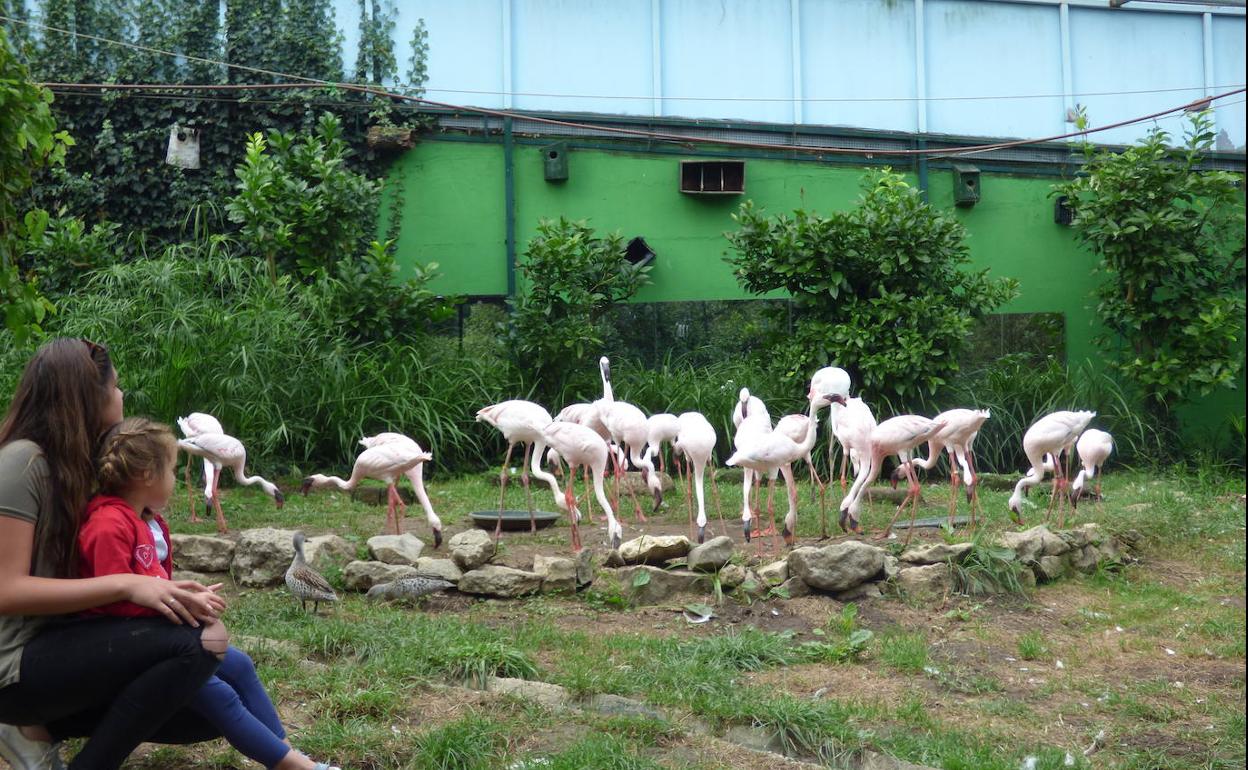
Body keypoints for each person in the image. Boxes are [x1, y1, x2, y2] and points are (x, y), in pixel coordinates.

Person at [0, 338, 225, 770]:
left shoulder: (79, 466)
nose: (122, 395)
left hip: (59, 641)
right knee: (198, 646)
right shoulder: (22, 463)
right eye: (116, 386)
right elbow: (6, 591)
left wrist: (160, 588)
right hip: (13, 664)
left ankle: (35, 727)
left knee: (205, 710)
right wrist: (128, 584)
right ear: (89, 394)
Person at [80, 417, 339, 770]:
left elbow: (149, 584)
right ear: (146, 476)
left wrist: (183, 595)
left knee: (240, 664)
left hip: (152, 638)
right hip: (121, 647)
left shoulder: (145, 520)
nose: (176, 478)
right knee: (213, 689)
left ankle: (287, 751)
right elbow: (108, 597)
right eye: (172, 470)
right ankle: (294, 767)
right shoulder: (108, 526)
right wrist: (178, 606)